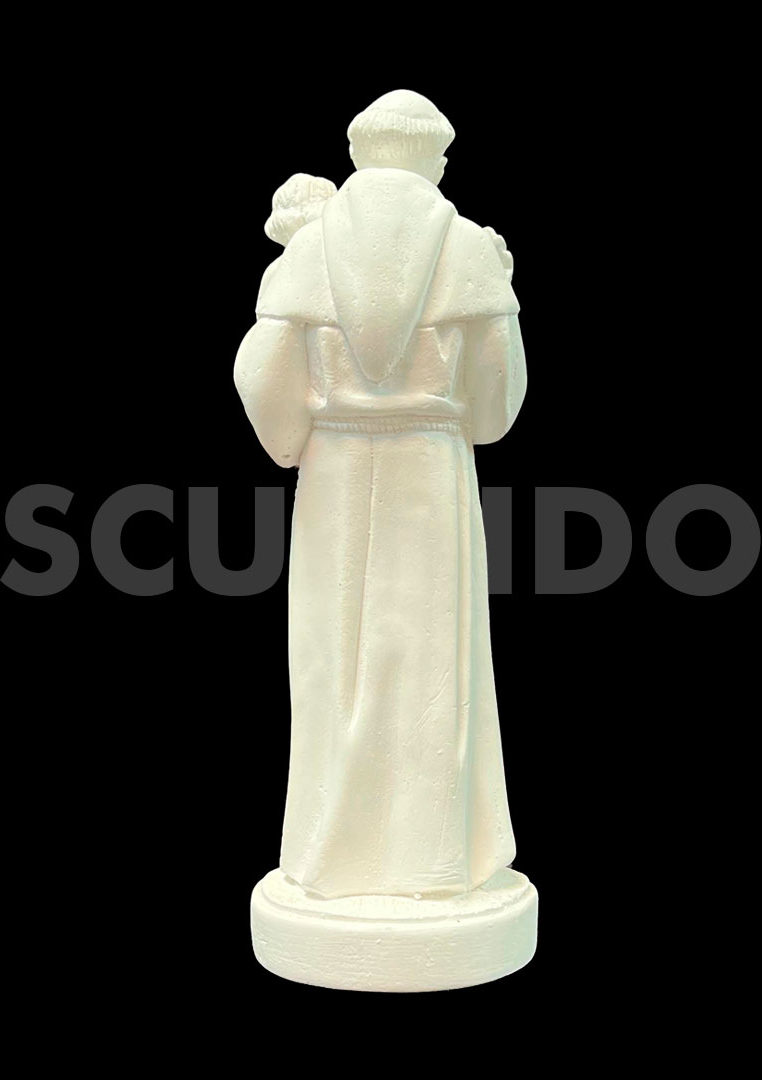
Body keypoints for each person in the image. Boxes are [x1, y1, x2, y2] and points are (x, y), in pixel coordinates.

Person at [234, 89, 527, 900]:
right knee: (433, 663)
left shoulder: (310, 250)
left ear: (359, 154)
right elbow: (496, 410)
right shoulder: (471, 249)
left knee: (331, 659)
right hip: (430, 469)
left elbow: (261, 376)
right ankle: (434, 860)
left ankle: (330, 853)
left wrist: (296, 436)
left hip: (334, 471)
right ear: (436, 161)